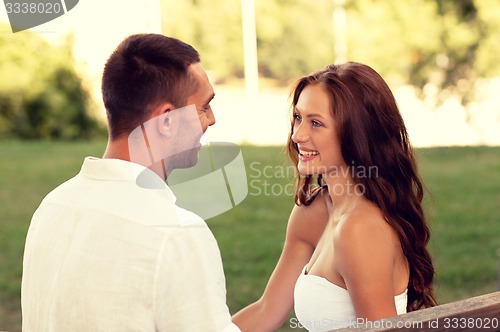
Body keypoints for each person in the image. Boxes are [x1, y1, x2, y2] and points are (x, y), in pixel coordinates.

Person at [21, 33, 240, 332]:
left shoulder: (52, 207)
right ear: (166, 120)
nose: (212, 119)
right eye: (204, 106)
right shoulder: (176, 234)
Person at [232, 62, 437, 331]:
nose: (297, 135)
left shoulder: (360, 229)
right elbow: (266, 310)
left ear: (357, 135)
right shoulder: (314, 211)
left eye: (316, 123)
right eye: (298, 117)